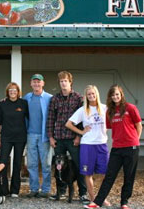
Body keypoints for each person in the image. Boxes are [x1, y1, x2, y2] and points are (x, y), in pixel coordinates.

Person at [85, 84, 142, 209]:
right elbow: (107, 127)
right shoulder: (109, 112)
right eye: (113, 95)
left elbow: (139, 125)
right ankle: (97, 202)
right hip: (116, 148)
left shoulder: (130, 108)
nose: (115, 97)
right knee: (109, 175)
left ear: (121, 95)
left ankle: (124, 202)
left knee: (129, 176)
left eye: (117, 94)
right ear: (110, 97)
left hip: (131, 148)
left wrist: (135, 141)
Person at [47, 71, 88, 203]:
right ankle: (61, 192)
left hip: (73, 139)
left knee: (78, 165)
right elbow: (50, 119)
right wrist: (51, 137)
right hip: (58, 138)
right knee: (59, 167)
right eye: (61, 81)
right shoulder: (55, 99)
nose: (63, 83)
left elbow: (82, 120)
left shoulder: (78, 98)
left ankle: (83, 193)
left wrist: (78, 137)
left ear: (70, 82)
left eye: (65, 81)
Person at [65, 85, 110, 205]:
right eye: (89, 94)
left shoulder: (105, 108)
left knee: (106, 173)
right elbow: (69, 124)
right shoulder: (83, 110)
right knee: (88, 173)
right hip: (87, 144)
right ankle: (93, 198)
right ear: (86, 96)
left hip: (101, 144)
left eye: (93, 94)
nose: (91, 96)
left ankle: (102, 197)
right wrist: (81, 132)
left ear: (97, 94)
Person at [0, 82, 29, 198]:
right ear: (7, 92)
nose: (12, 92)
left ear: (18, 92)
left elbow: (29, 118)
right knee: (3, 163)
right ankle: (4, 189)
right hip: (6, 137)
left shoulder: (23, 103)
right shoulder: (2, 104)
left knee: (17, 163)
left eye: (14, 90)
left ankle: (15, 190)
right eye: (10, 90)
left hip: (20, 138)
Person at [23, 74, 52, 198]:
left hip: (44, 136)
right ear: (31, 84)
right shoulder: (27, 98)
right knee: (32, 164)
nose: (36, 84)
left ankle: (45, 190)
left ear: (43, 83)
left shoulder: (49, 98)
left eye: (38, 82)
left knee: (46, 164)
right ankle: (34, 189)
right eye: (34, 82)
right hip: (30, 135)